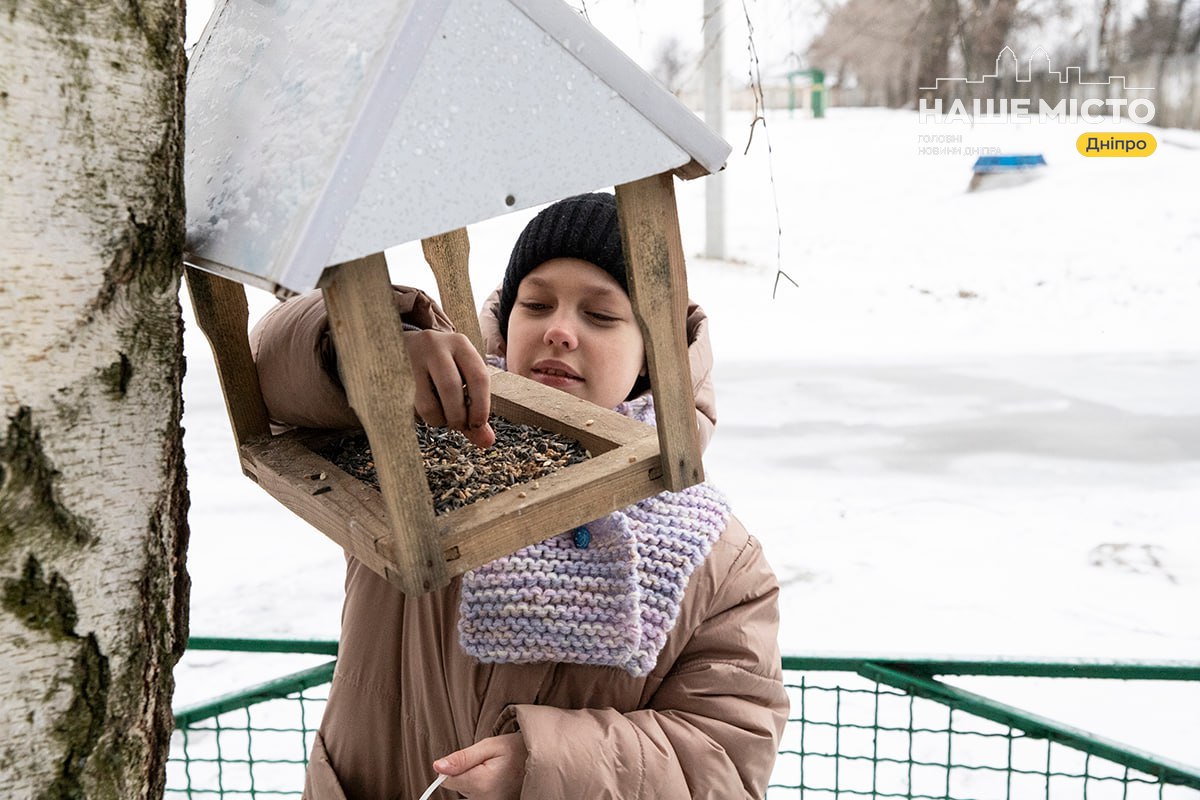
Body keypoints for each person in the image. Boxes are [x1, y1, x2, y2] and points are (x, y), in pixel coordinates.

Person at [250, 192, 788, 800]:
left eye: (601, 316)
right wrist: (370, 353)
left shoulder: (722, 561)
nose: (559, 330)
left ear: (651, 358)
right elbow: (269, 373)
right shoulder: (415, 431)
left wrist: (545, 766)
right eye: (535, 304)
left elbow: (727, 757)